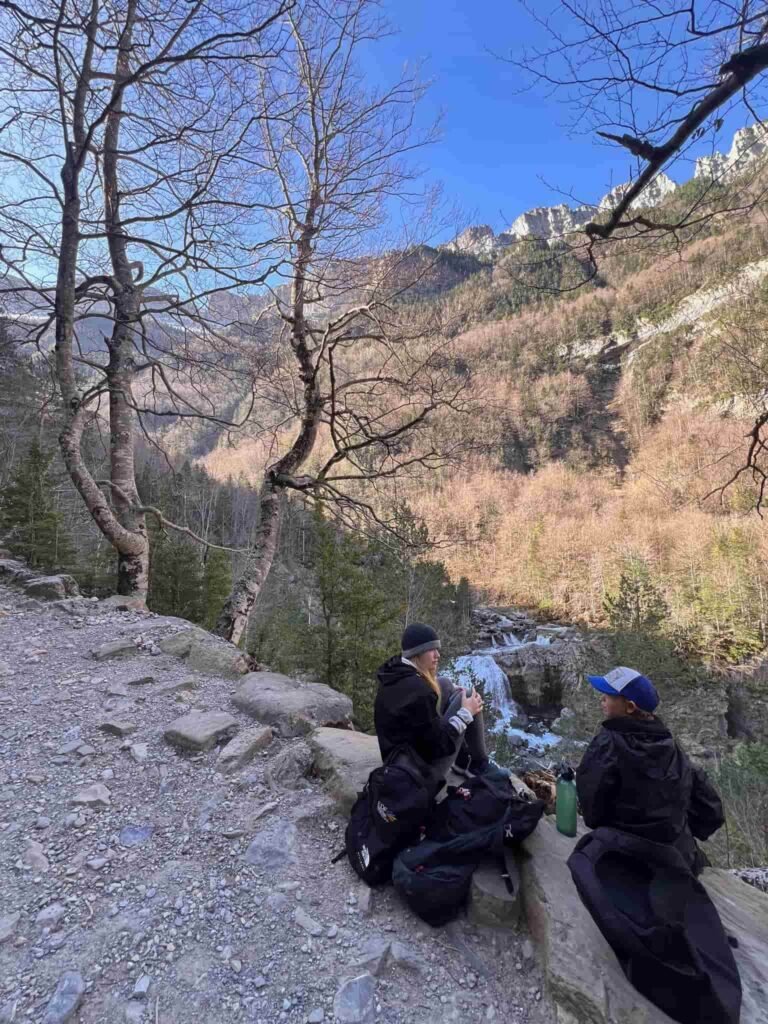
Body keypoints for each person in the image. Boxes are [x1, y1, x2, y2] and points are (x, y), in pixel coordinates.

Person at [576, 665, 724, 873]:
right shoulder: (672, 747)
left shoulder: (607, 744)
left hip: (625, 856)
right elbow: (711, 811)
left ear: (629, 707)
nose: (602, 700)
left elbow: (592, 811)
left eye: (608, 696)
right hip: (676, 856)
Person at [374, 622, 503, 787]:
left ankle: (464, 760)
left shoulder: (394, 673)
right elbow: (437, 746)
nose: (438, 655)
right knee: (469, 695)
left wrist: (451, 691)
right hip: (420, 774)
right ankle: (478, 763)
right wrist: (465, 714)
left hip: (397, 756)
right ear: (416, 653)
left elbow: (419, 720)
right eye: (431, 650)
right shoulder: (420, 692)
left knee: (445, 683)